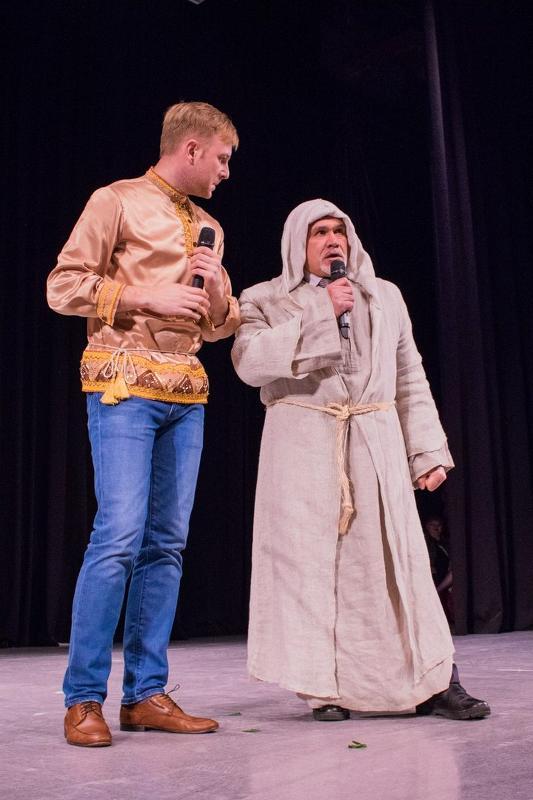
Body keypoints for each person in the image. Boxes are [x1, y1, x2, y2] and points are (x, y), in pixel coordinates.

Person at [231, 199, 489, 722]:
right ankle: (325, 688)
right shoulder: (263, 298)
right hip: (302, 448)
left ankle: (437, 682)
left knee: (399, 566)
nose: (333, 241)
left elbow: (409, 374)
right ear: (297, 243)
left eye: (339, 231)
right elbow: (250, 363)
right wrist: (322, 313)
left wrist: (425, 451)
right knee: (312, 573)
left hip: (374, 440)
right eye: (319, 232)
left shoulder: (383, 296)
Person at [47, 101, 240, 747]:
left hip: (186, 393)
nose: (225, 172)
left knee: (167, 545)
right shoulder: (117, 200)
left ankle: (146, 694)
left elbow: (220, 325)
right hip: (124, 384)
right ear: (191, 149)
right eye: (221, 159)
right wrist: (142, 295)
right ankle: (83, 699)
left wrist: (216, 292)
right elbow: (62, 284)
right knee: (118, 537)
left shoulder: (210, 227)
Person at [424, 515, 454, 626]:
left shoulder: (445, 544)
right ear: (427, 527)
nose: (436, 528)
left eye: (439, 525)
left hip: (444, 578)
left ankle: (437, 591)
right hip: (432, 577)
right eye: (433, 525)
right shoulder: (426, 543)